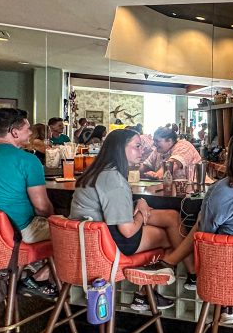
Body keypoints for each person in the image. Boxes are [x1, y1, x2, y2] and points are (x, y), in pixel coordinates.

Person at [134, 131, 233, 324]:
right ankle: (223, 300)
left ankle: (171, 265)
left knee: (206, 226)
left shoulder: (220, 190)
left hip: (225, 266)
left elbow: (204, 234)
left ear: (232, 154)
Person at [70, 129, 196, 310]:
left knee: (172, 217)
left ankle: (188, 276)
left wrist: (139, 203)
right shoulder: (114, 179)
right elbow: (127, 231)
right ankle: (146, 293)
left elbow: (113, 206)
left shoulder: (99, 171)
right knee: (169, 236)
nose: (142, 150)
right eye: (137, 146)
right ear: (120, 148)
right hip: (106, 243)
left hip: (88, 237)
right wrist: (140, 212)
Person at [0, 108, 57, 298]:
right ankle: (37, 278)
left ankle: (26, 275)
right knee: (74, 233)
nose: (30, 132)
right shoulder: (28, 160)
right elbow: (42, 207)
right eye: (27, 128)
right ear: (14, 132)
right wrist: (56, 219)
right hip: (18, 232)